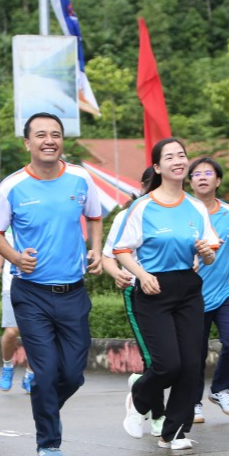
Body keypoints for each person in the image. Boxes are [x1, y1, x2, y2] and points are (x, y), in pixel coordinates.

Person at [0, 112, 103, 456]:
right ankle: (48, 442)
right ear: (28, 143)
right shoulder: (12, 186)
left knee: (72, 374)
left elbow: (95, 217)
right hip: (32, 292)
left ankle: (42, 395)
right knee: (49, 368)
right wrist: (15, 258)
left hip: (73, 291)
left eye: (55, 134)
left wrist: (96, 249)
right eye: (41, 134)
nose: (49, 140)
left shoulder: (81, 179)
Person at [113, 139, 217, 450]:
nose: (178, 161)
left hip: (187, 287)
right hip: (153, 287)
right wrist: (142, 275)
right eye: (169, 157)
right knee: (167, 364)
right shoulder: (143, 206)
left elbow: (210, 255)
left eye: (181, 155)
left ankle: (173, 432)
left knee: (191, 364)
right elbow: (121, 250)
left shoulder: (196, 207)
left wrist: (205, 253)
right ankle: (139, 397)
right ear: (158, 167)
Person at [102, 167, 164, 438]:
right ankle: (159, 416)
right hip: (138, 292)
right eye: (153, 184)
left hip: (174, 293)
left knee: (176, 358)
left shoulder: (181, 210)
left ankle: (140, 386)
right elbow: (108, 257)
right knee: (154, 358)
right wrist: (120, 274)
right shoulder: (127, 215)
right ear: (142, 185)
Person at [187, 157, 229, 423]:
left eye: (207, 173)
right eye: (196, 174)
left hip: (224, 291)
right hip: (193, 295)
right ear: (190, 182)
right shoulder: (184, 211)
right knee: (195, 353)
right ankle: (193, 401)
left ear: (218, 181)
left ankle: (220, 389)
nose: (202, 177)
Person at [0, 229, 34, 393]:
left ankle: (30, 375)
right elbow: (2, 246)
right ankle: (7, 366)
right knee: (11, 331)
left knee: (34, 333)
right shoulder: (10, 221)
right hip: (12, 283)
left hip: (38, 283)